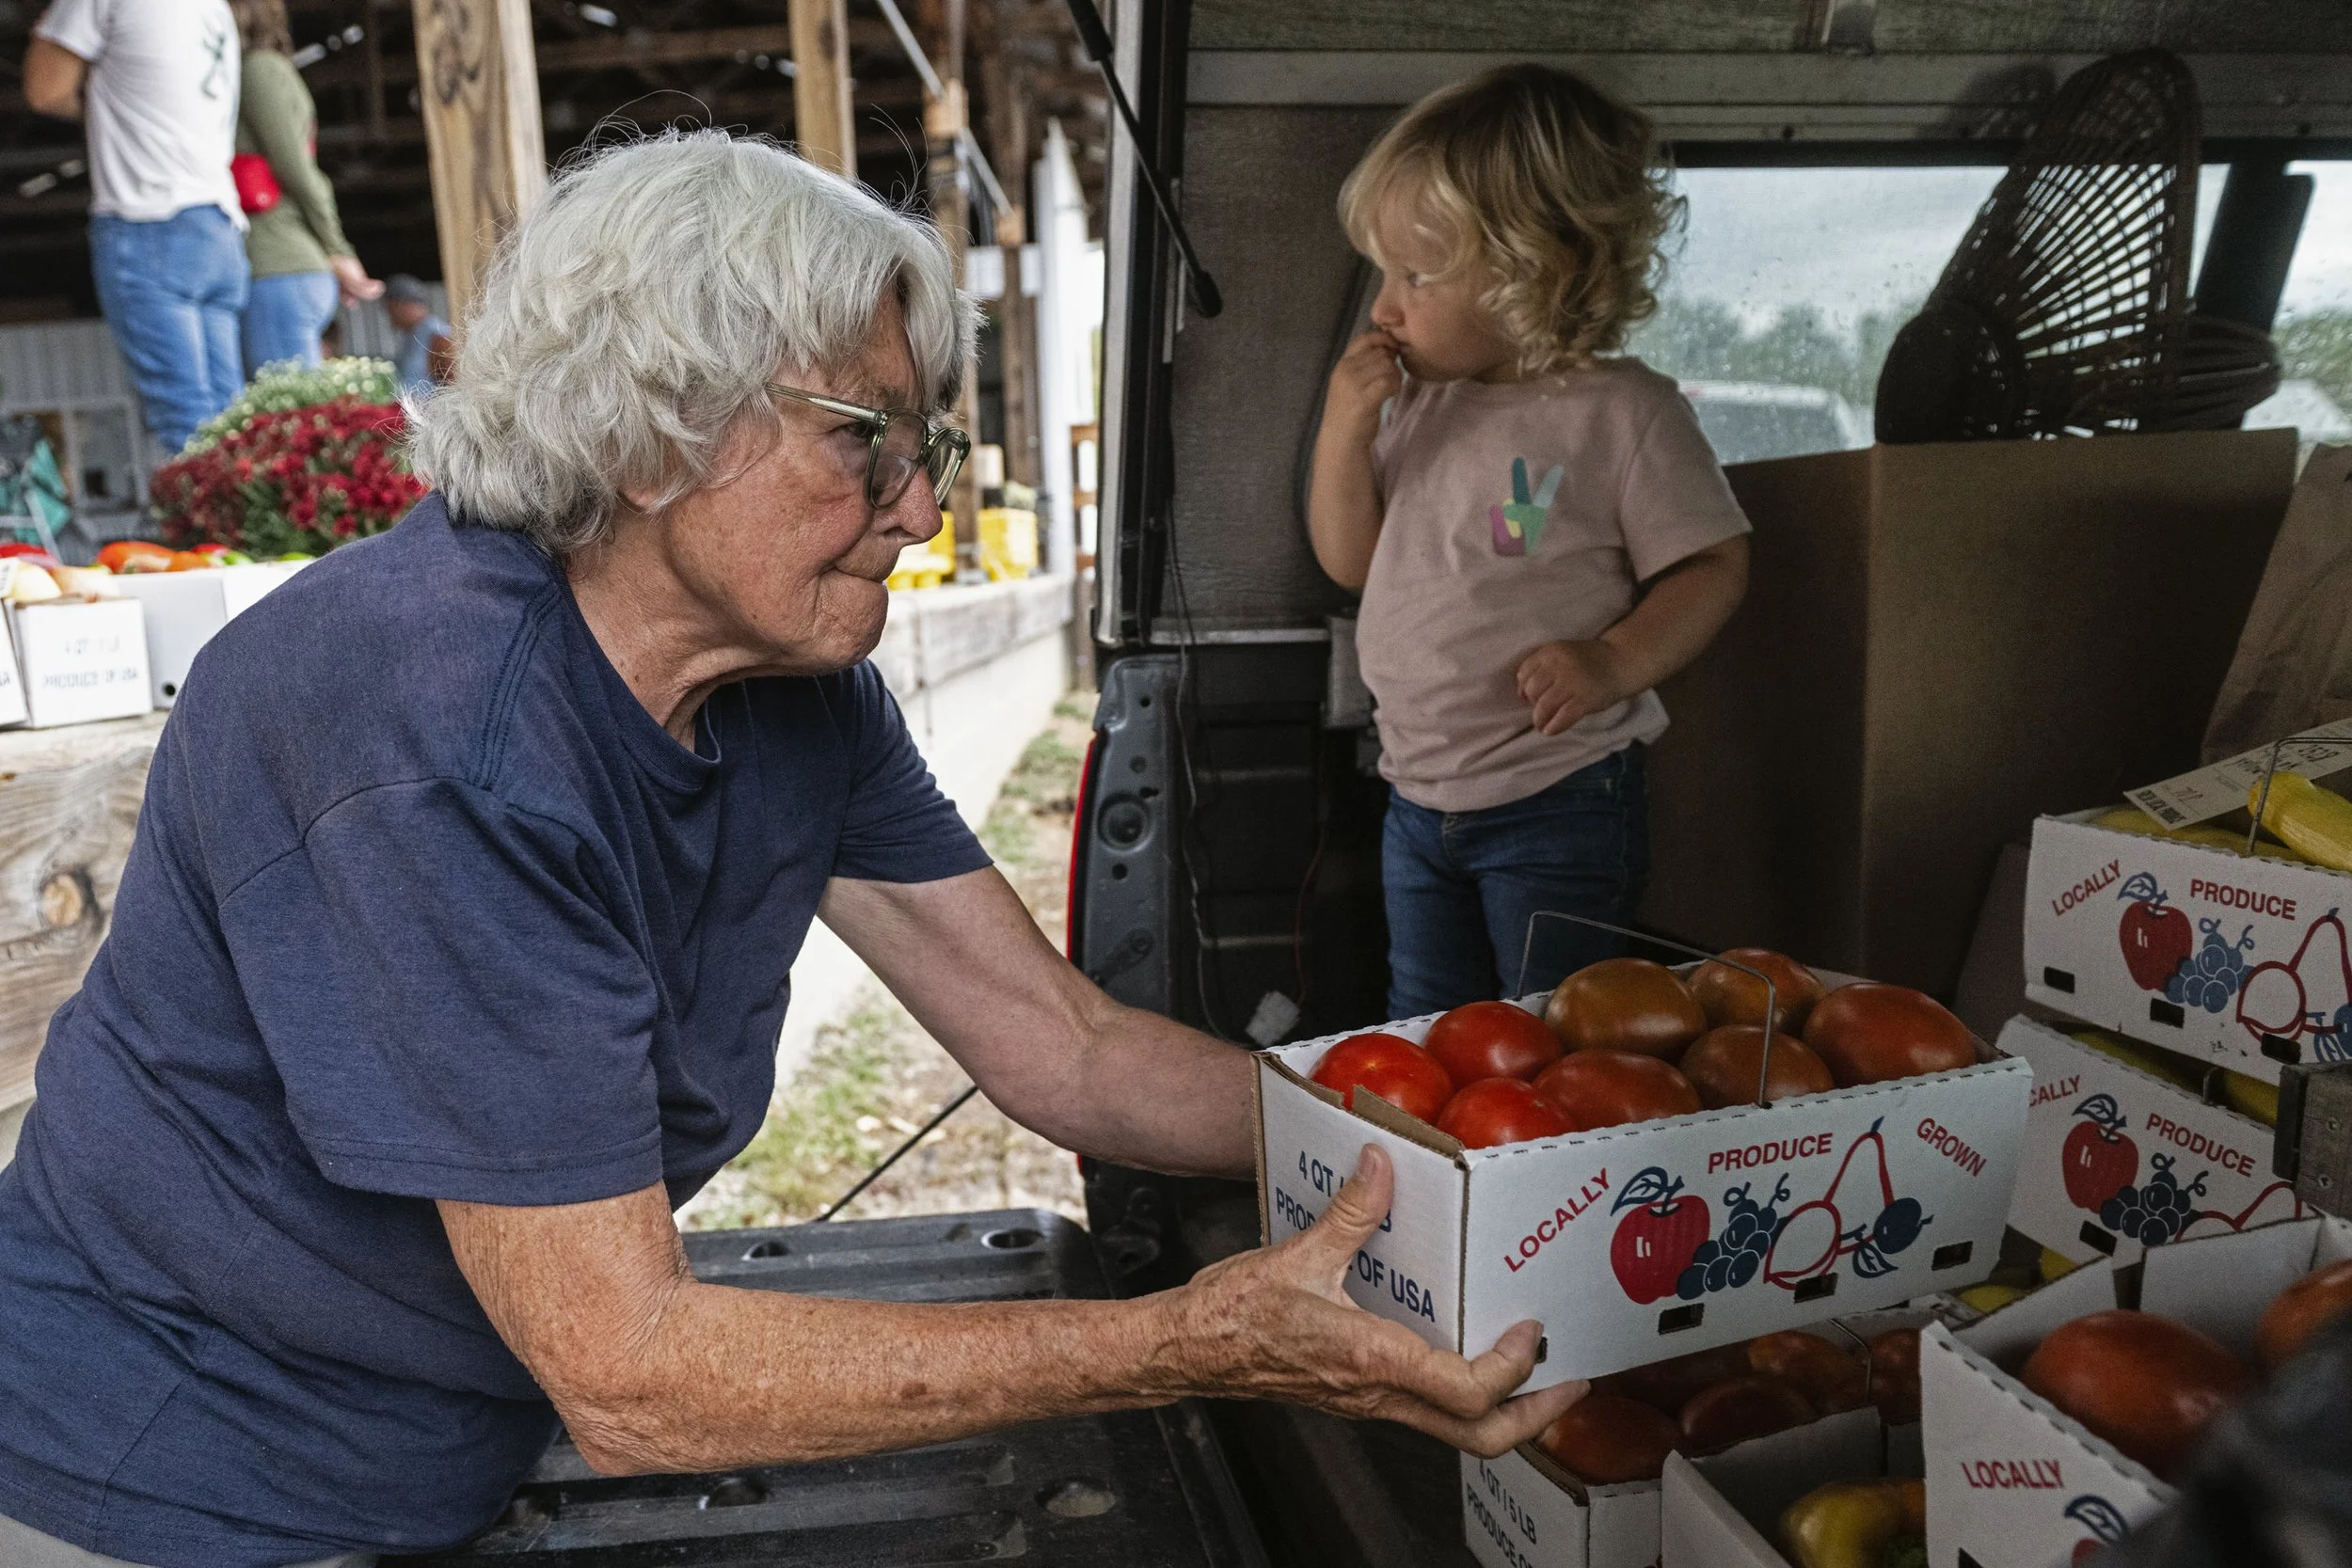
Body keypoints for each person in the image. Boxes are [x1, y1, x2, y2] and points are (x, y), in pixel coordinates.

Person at [0, 132, 1577, 1568]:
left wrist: (1454, 1145)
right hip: (157, 1476)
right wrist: (1195, 1335)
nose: (920, 513)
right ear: (649, 433)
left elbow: (1068, 1045)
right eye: (861, 443)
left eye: (929, 450)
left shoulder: (796, 683)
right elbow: (630, 1372)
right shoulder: (426, 719)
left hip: (434, 1439)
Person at [1307, 63, 1752, 1015]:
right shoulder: (1416, 404)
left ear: (1530, 271)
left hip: (1558, 797)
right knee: (1428, 1018)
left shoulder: (1621, 413)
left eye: (1416, 275)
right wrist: (1344, 431)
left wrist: (1611, 661)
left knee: (1561, 1024)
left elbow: (1713, 563)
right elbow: (1352, 561)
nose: (1385, 305)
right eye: (1385, 273)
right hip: (1417, 796)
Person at [24, 0, 248, 457]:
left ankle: (205, 529)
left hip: (151, 225)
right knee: (230, 423)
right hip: (216, 224)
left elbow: (45, 90)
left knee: (185, 429)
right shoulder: (214, 9)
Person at [230, 0, 381, 373]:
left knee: (284, 417)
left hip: (279, 268)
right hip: (285, 271)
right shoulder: (256, 71)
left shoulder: (258, 70)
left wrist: (337, 249)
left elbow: (297, 170)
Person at [383, 273, 453, 396]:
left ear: (401, 305)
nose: (389, 318)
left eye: (390, 310)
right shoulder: (410, 335)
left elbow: (452, 387)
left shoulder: (438, 337)